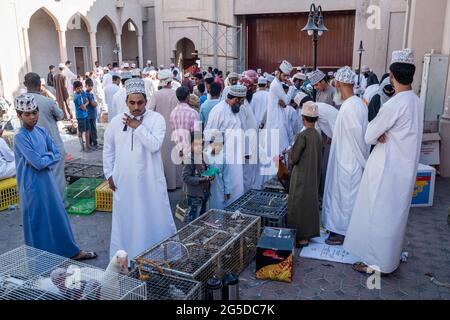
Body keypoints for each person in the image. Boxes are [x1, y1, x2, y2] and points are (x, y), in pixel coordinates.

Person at [345, 49, 424, 275]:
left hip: (386, 169)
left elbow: (369, 134)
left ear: (391, 75)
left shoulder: (395, 104)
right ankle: (389, 260)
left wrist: (379, 132)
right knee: (395, 217)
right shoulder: (415, 100)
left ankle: (376, 264)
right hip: (404, 170)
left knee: (380, 217)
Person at [13, 93, 96, 260]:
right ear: (19, 116)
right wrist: (44, 158)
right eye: (27, 114)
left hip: (48, 182)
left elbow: (57, 154)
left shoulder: (42, 131)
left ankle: (71, 252)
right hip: (31, 186)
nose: (32, 117)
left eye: (34, 112)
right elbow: (38, 163)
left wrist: (44, 159)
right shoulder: (20, 137)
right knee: (37, 223)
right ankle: (40, 262)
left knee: (58, 218)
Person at [103, 78, 176, 260]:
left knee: (153, 215)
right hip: (124, 180)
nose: (136, 107)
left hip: (149, 179)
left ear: (146, 100)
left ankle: (156, 257)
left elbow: (154, 145)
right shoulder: (115, 122)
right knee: (127, 219)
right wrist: (109, 174)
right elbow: (108, 150)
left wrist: (138, 127)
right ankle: (128, 257)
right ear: (126, 101)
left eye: (140, 102)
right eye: (132, 102)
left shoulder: (156, 119)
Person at [322, 66, 369, 246]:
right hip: (344, 158)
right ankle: (339, 229)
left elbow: (358, 139)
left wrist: (363, 163)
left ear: (340, 84)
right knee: (341, 196)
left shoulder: (352, 107)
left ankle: (343, 232)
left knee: (346, 198)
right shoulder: (353, 104)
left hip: (350, 161)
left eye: (336, 85)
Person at [25, 73, 67, 200]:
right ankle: (60, 203)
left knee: (39, 177)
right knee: (57, 175)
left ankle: (44, 202)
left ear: (25, 85)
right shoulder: (47, 102)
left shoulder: (21, 101)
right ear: (40, 86)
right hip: (52, 144)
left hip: (32, 146)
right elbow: (61, 115)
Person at [205, 85, 248, 206]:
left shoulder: (235, 110)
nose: (243, 104)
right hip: (222, 158)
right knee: (221, 192)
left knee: (236, 187)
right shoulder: (218, 110)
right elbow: (209, 134)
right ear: (235, 99)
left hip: (236, 158)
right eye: (241, 101)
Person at [287, 101, 323, 248]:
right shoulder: (318, 135)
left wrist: (290, 153)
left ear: (303, 118)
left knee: (298, 204)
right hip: (314, 174)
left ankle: (301, 237)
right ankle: (309, 234)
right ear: (317, 119)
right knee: (310, 203)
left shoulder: (302, 136)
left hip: (301, 175)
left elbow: (295, 158)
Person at [149, 69, 183, 191]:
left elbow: (149, 111)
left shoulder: (156, 95)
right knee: (175, 157)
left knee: (164, 159)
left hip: (161, 131)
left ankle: (166, 185)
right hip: (176, 130)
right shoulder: (176, 94)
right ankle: (177, 183)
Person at [264, 60, 294, 176]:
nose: (286, 78)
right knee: (280, 150)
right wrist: (291, 88)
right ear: (278, 73)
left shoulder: (276, 84)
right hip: (277, 123)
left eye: (287, 76)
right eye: (285, 75)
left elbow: (283, 102)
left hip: (277, 120)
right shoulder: (276, 84)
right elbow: (286, 101)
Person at [182, 133, 213, 222]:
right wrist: (200, 179)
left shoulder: (204, 156)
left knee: (203, 218)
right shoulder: (189, 159)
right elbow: (185, 177)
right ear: (190, 144)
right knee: (193, 220)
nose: (198, 147)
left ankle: (200, 234)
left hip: (205, 193)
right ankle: (191, 235)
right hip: (195, 195)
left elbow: (207, 169)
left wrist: (211, 176)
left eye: (201, 144)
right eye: (195, 144)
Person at [170, 86, 200, 159]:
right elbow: (197, 134)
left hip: (180, 149)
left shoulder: (173, 113)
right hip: (192, 149)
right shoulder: (193, 113)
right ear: (188, 97)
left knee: (185, 168)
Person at [205, 134, 231, 210]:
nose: (219, 147)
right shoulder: (205, 154)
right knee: (206, 207)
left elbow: (226, 175)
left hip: (219, 188)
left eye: (221, 144)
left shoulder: (223, 157)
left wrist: (227, 191)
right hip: (207, 186)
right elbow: (201, 170)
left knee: (219, 208)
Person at [73, 81, 91, 151]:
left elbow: (87, 102)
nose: (80, 89)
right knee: (81, 131)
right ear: (75, 89)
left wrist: (85, 105)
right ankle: (82, 147)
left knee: (87, 129)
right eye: (78, 88)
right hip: (80, 116)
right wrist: (86, 104)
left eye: (80, 88)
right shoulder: (76, 97)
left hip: (85, 115)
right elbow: (83, 107)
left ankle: (87, 145)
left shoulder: (82, 92)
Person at [85, 78, 99, 149]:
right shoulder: (88, 94)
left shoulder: (89, 94)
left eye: (91, 86)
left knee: (90, 128)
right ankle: (95, 142)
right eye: (89, 86)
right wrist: (96, 103)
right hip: (91, 114)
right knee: (93, 128)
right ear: (86, 85)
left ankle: (90, 142)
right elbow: (94, 104)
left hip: (90, 114)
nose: (90, 87)